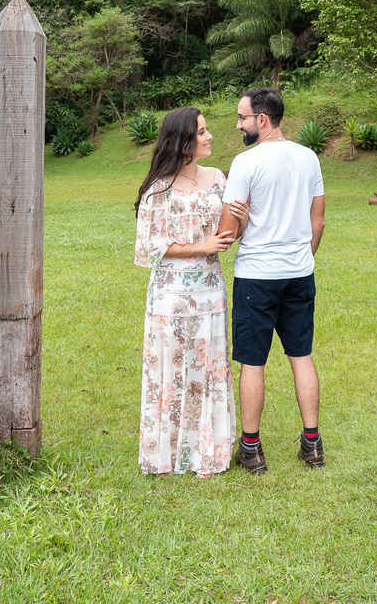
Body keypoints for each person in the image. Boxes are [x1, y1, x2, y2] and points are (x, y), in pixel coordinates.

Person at [133, 107, 248, 477]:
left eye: (207, 130)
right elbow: (149, 248)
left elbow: (227, 237)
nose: (210, 136)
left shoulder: (218, 178)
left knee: (208, 369)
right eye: (201, 132)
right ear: (183, 140)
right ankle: (165, 452)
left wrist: (241, 222)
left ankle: (206, 451)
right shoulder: (158, 187)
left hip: (209, 291)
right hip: (170, 296)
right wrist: (202, 246)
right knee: (171, 371)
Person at [221, 87, 326, 473]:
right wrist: (301, 258)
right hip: (299, 273)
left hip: (256, 277)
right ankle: (312, 444)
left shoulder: (245, 163)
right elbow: (319, 220)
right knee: (301, 356)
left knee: (253, 362)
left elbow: (227, 232)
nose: (238, 125)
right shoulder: (308, 158)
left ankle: (251, 450)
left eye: (242, 118)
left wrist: (242, 226)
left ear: (261, 120)